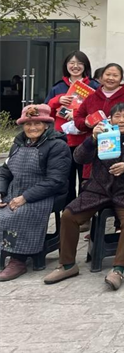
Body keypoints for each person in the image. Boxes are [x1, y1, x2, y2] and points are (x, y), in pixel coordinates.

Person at [43, 103, 124, 290]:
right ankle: (67, 265)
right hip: (97, 189)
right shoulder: (102, 135)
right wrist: (92, 139)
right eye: (117, 116)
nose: (121, 120)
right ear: (110, 119)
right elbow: (79, 158)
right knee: (69, 215)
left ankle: (118, 269)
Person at [0, 104, 71, 281]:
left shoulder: (57, 146)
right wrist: (1, 192)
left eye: (37, 123)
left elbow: (55, 181)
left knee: (18, 213)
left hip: (47, 194)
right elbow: (4, 172)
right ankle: (5, 250)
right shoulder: (18, 144)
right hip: (16, 191)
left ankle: (18, 260)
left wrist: (25, 197)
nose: (32, 128)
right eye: (28, 124)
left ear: (46, 125)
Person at [45, 50, 100, 203]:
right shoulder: (58, 87)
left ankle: (83, 209)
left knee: (85, 178)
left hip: (86, 140)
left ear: (85, 66)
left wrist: (77, 115)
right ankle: (67, 209)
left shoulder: (94, 86)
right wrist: (57, 100)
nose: (75, 66)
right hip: (63, 140)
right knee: (65, 178)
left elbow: (100, 111)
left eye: (79, 63)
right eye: (72, 63)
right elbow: (46, 112)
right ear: (66, 65)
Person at [74, 64, 124, 136]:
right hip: (95, 139)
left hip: (121, 139)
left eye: (115, 75)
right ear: (101, 76)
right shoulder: (91, 98)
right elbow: (78, 117)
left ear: (121, 79)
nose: (110, 78)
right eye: (107, 74)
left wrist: (121, 123)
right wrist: (85, 123)